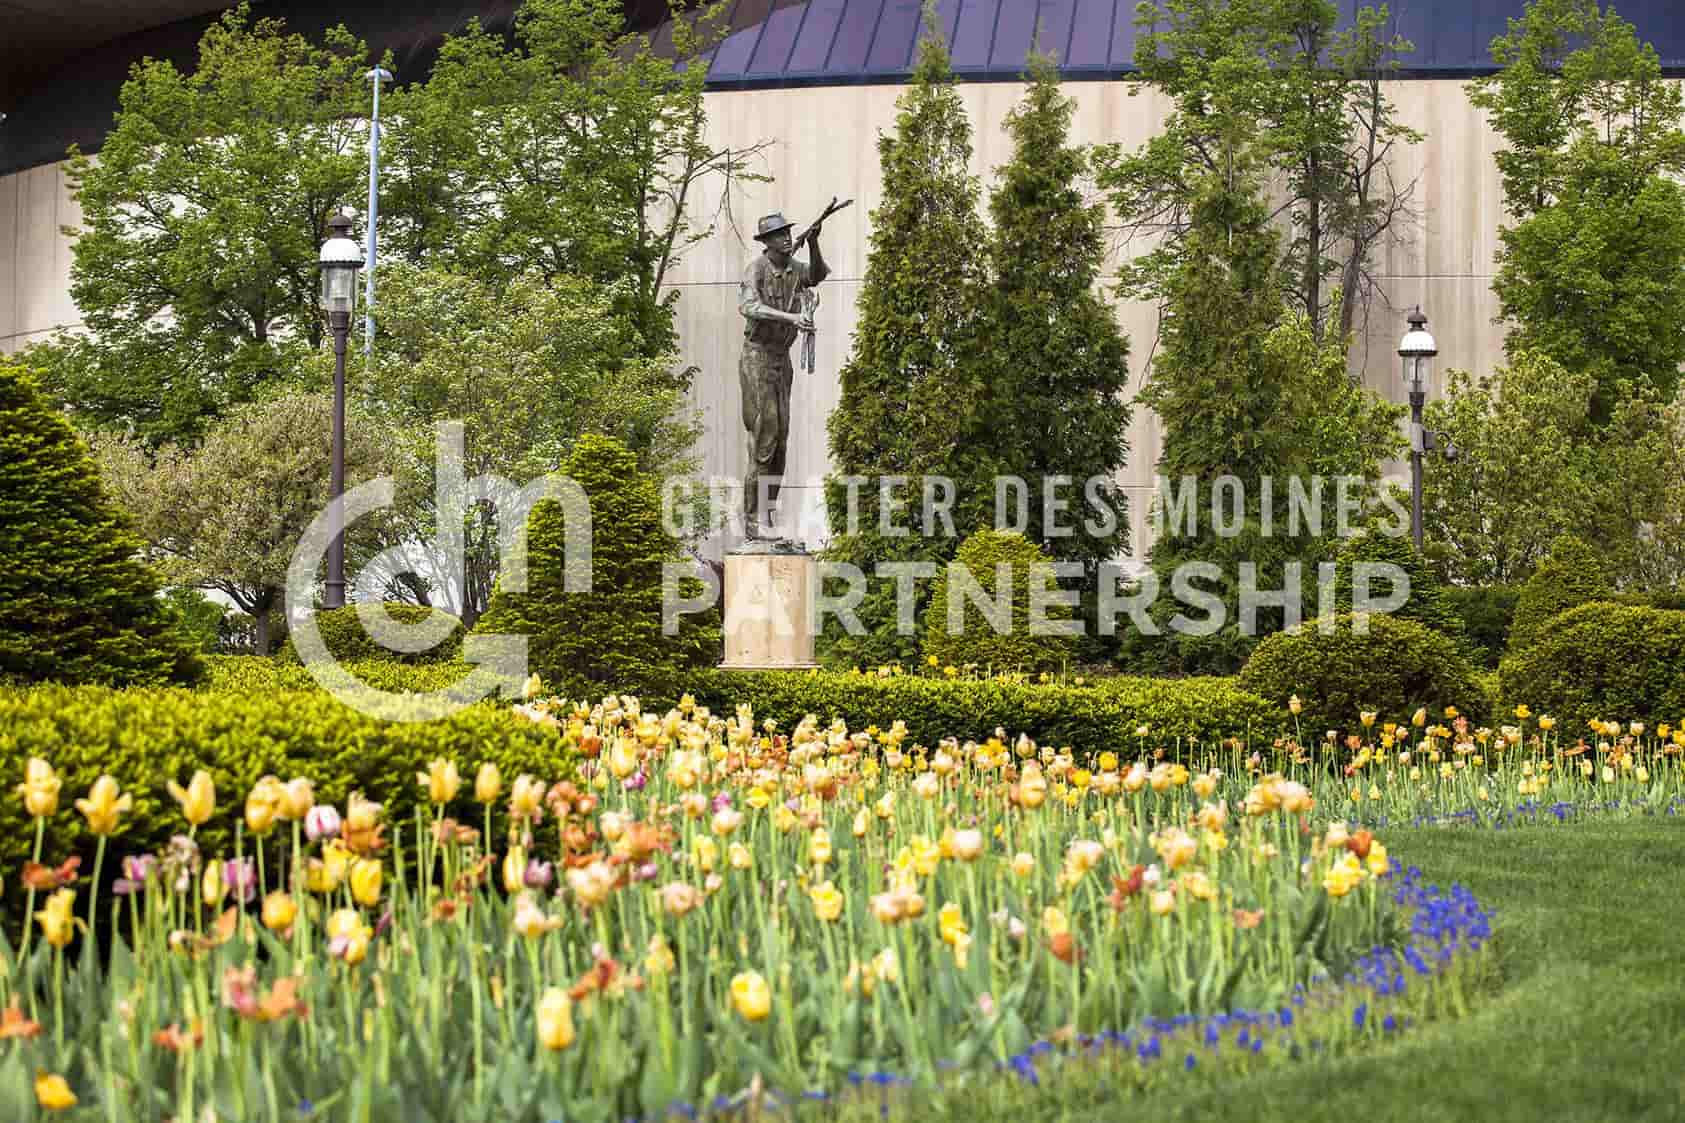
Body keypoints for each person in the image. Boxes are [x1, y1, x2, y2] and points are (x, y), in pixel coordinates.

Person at [737, 210, 829, 537]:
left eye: (789, 233)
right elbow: (750, 307)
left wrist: (814, 242)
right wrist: (791, 319)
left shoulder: (794, 268)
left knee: (781, 444)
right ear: (767, 242)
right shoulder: (757, 270)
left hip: (781, 361)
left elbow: (817, 275)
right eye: (779, 235)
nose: (787, 238)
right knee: (765, 437)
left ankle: (767, 515)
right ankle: (752, 520)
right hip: (757, 359)